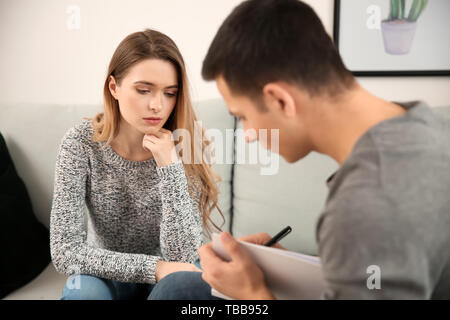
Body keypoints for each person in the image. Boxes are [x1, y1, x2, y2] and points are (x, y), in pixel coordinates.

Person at [195, 0, 450, 299]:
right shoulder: (427, 126)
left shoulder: (368, 202)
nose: (247, 136)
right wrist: (313, 266)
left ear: (281, 101)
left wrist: (252, 294)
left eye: (243, 116)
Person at [50, 29, 223, 300]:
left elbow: (182, 257)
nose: (157, 105)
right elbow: (65, 250)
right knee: (83, 296)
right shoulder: (80, 143)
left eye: (170, 93)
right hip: (105, 272)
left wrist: (170, 166)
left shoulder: (187, 142)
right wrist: (153, 268)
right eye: (143, 90)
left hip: (173, 274)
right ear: (114, 87)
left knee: (180, 288)